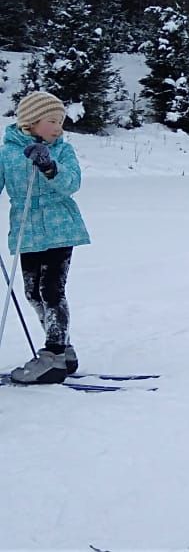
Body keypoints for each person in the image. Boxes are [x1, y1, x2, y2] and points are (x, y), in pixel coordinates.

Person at [2, 92, 90, 384]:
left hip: (59, 226)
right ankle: (63, 348)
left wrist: (50, 166)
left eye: (61, 121)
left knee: (51, 289)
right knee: (32, 292)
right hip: (26, 229)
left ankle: (53, 355)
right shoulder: (8, 153)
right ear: (30, 122)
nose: (58, 127)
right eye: (51, 121)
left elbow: (72, 183)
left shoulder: (62, 151)